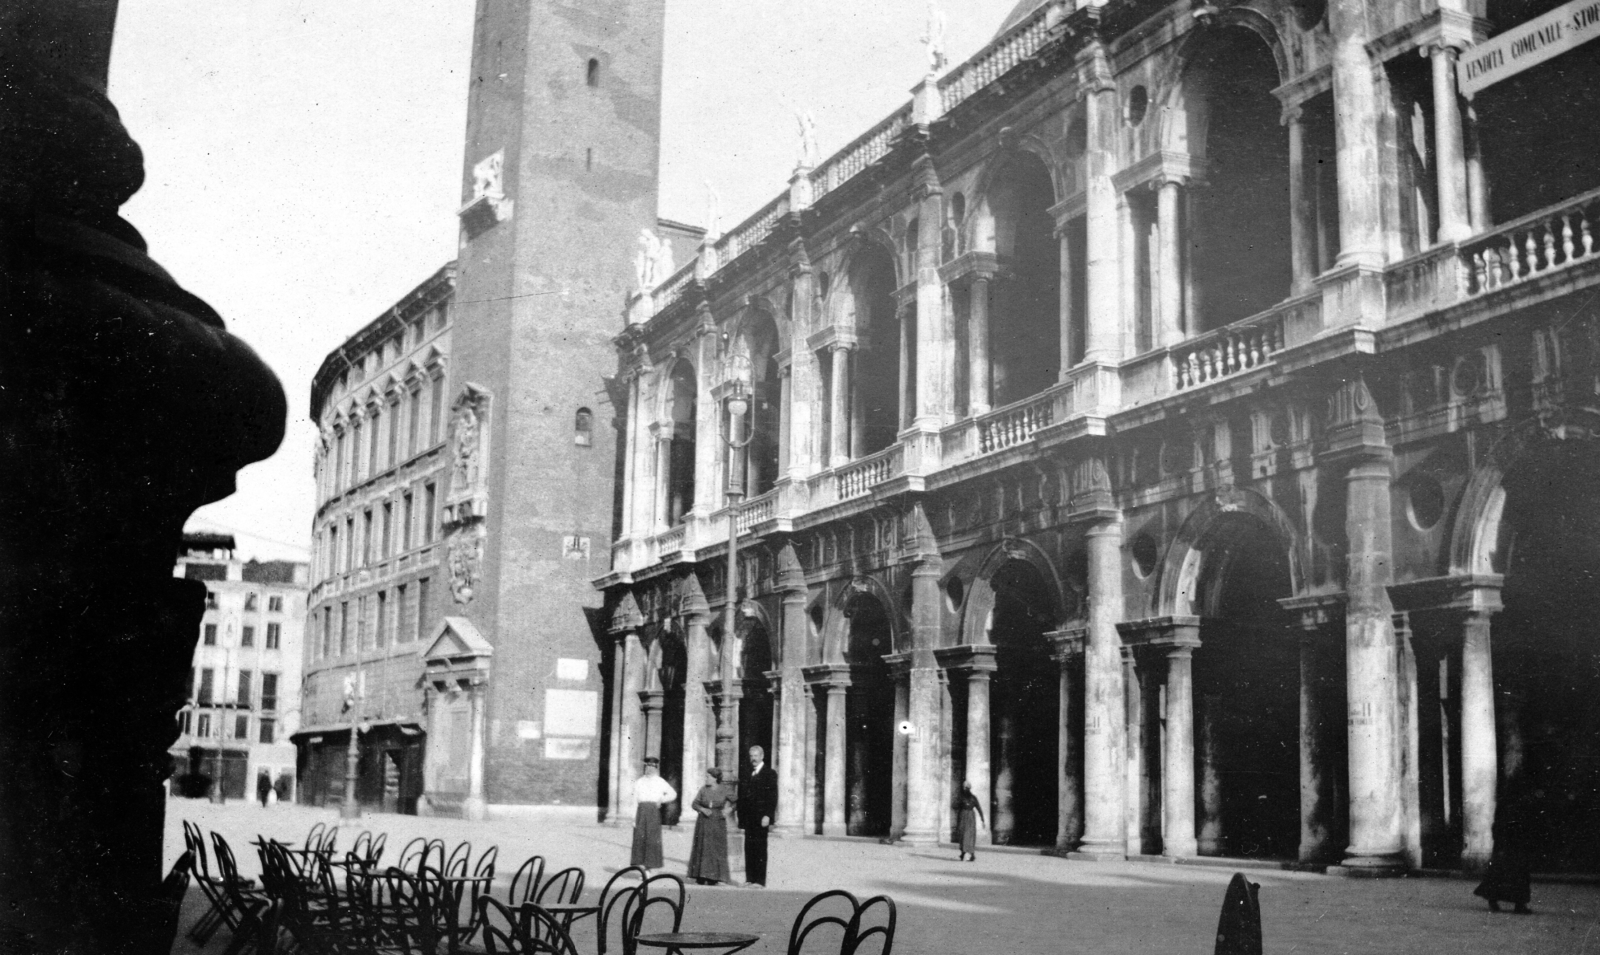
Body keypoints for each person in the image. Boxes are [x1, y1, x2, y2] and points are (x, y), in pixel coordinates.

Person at [1475, 789, 1533, 914]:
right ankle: (1517, 904)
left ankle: (1501, 901)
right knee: (1512, 874)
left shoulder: (1508, 803)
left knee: (1504, 874)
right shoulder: (1512, 805)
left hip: (1511, 844)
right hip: (1510, 845)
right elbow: (1501, 825)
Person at [737, 745, 778, 887]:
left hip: (761, 817)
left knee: (760, 848)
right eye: (751, 756)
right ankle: (750, 879)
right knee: (749, 847)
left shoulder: (770, 773)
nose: (753, 759)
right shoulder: (748, 772)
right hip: (749, 817)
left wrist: (768, 815)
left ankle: (759, 881)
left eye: (755, 756)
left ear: (762, 756)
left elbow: (772, 796)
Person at [687, 767, 733, 885]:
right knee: (702, 847)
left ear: (715, 778)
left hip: (718, 821)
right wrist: (702, 809)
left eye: (708, 776)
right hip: (703, 822)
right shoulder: (703, 789)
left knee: (716, 848)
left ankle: (715, 877)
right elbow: (694, 803)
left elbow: (736, 801)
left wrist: (729, 809)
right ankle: (701, 876)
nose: (706, 778)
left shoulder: (724, 789)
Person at [631, 757, 676, 872]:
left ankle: (649, 868)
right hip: (641, 811)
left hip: (653, 812)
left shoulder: (660, 781)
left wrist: (662, 799)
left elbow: (673, 794)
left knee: (652, 839)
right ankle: (641, 867)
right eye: (647, 766)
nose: (649, 769)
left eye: (652, 767)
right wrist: (633, 818)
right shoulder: (639, 782)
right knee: (640, 838)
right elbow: (634, 801)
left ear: (656, 768)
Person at [955, 780, 986, 861]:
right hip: (966, 816)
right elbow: (979, 808)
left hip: (967, 816)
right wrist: (982, 819)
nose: (964, 789)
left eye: (965, 787)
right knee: (965, 834)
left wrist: (982, 819)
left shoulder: (966, 797)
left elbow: (979, 808)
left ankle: (969, 854)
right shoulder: (970, 797)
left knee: (968, 835)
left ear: (967, 788)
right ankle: (965, 853)